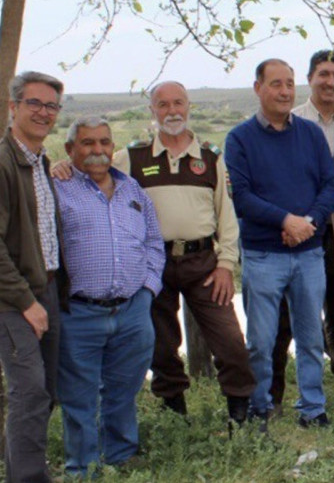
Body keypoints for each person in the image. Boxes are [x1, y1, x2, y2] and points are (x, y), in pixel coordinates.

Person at [91, 81, 254, 428]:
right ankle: (174, 411)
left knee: (230, 342)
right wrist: (63, 169)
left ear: (189, 106)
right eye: (162, 105)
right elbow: (94, 179)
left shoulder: (210, 157)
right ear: (152, 111)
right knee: (160, 344)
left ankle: (240, 413)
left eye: (178, 103)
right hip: (152, 265)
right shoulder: (131, 157)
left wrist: (226, 265)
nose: (171, 111)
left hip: (203, 264)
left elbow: (227, 217)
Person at [224, 58, 334, 430]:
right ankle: (259, 407)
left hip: (308, 252)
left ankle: (312, 408)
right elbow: (241, 196)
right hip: (262, 255)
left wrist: (306, 223)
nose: (285, 91)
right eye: (276, 84)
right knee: (261, 340)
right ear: (258, 88)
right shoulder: (240, 138)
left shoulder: (309, 134)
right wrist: (284, 220)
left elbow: (331, 188)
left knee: (310, 337)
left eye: (289, 84)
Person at [54, 117, 165, 476]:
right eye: (88, 143)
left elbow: (153, 243)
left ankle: (120, 455)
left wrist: (148, 291)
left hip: (132, 310)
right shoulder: (59, 189)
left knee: (123, 390)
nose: (98, 151)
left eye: (104, 142)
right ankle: (82, 467)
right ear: (71, 150)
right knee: (79, 398)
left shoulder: (133, 190)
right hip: (80, 312)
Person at [0, 71, 66, 483]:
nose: (44, 112)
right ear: (13, 107)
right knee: (29, 391)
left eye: (51, 106)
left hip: (44, 290)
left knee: (43, 392)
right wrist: (27, 303)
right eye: (34, 103)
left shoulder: (38, 161)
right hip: (10, 300)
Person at [270, 50, 334, 411]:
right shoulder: (290, 121)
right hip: (296, 227)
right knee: (285, 315)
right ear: (310, 79)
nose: (331, 82)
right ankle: (273, 393)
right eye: (324, 74)